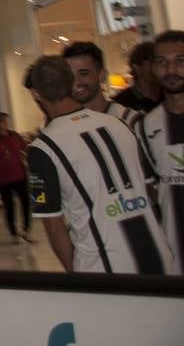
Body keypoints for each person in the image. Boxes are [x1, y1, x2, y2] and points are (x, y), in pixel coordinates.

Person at [25, 56, 170, 273]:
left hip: (104, 267)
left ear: (36, 93)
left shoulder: (42, 149)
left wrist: (77, 278)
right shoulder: (121, 124)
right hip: (159, 255)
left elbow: (54, 227)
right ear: (71, 83)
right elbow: (151, 192)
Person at [139, 30, 184, 274]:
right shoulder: (146, 126)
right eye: (162, 62)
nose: (171, 70)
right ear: (153, 69)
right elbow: (151, 194)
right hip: (175, 262)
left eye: (180, 60)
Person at [61, 41, 142, 131]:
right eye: (69, 75)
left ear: (102, 75)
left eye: (84, 73)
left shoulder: (129, 120)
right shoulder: (63, 125)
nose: (76, 81)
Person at [0, 113, 33, 243]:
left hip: (19, 174)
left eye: (5, 121)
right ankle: (14, 233)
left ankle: (26, 231)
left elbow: (23, 152)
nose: (4, 124)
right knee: (9, 206)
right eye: (1, 122)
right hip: (2, 178)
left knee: (26, 203)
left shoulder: (15, 136)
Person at [114, 40, 162, 114]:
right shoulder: (121, 104)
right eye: (153, 62)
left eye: (160, 62)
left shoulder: (168, 97)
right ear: (137, 68)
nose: (158, 68)